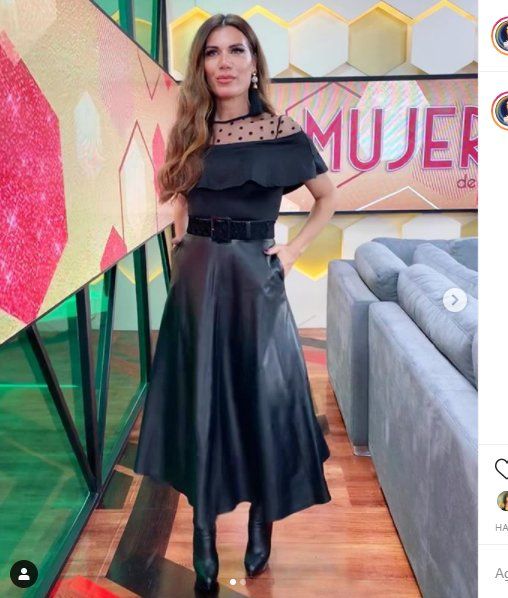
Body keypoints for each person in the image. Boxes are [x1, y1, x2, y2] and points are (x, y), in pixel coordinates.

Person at [132, 13, 338, 593]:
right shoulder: (190, 130)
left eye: (236, 50)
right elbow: (180, 199)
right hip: (197, 281)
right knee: (200, 403)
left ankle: (260, 519)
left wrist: (292, 251)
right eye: (211, 52)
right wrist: (180, 245)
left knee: (261, 399)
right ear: (201, 66)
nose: (223, 62)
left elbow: (326, 196)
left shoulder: (280, 130)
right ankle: (202, 532)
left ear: (253, 63)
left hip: (254, 278)